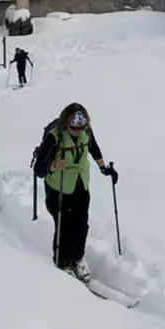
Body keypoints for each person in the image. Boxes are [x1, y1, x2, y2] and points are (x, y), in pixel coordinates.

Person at [32, 102, 118, 282]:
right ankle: (62, 263)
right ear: (65, 124)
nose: (78, 131)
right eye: (73, 128)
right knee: (64, 225)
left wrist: (103, 168)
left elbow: (93, 148)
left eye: (81, 127)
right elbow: (39, 169)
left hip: (81, 184)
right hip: (59, 187)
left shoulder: (86, 130)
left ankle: (77, 259)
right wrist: (53, 166)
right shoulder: (54, 137)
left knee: (81, 224)